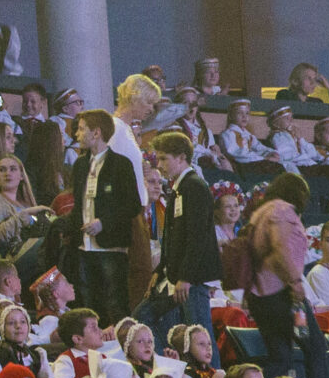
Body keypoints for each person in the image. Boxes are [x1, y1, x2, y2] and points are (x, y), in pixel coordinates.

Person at [239, 172, 329, 378]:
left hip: (261, 296)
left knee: (280, 356)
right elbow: (281, 248)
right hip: (285, 296)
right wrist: (296, 282)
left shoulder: (260, 213)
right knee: (314, 345)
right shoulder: (282, 211)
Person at [58, 108, 140, 325]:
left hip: (111, 247)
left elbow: (132, 205)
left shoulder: (121, 164)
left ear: (96, 133)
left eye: (81, 129)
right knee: (88, 304)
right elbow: (79, 204)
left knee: (115, 304)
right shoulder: (80, 165)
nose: (76, 134)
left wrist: (104, 222)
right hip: (84, 247)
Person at [147, 130, 220, 336]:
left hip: (192, 279)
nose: (159, 165)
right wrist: (160, 269)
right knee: (148, 319)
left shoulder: (194, 187)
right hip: (177, 276)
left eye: (164, 159)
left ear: (181, 158)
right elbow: (173, 237)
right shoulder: (181, 187)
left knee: (199, 334)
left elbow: (197, 237)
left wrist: (186, 277)